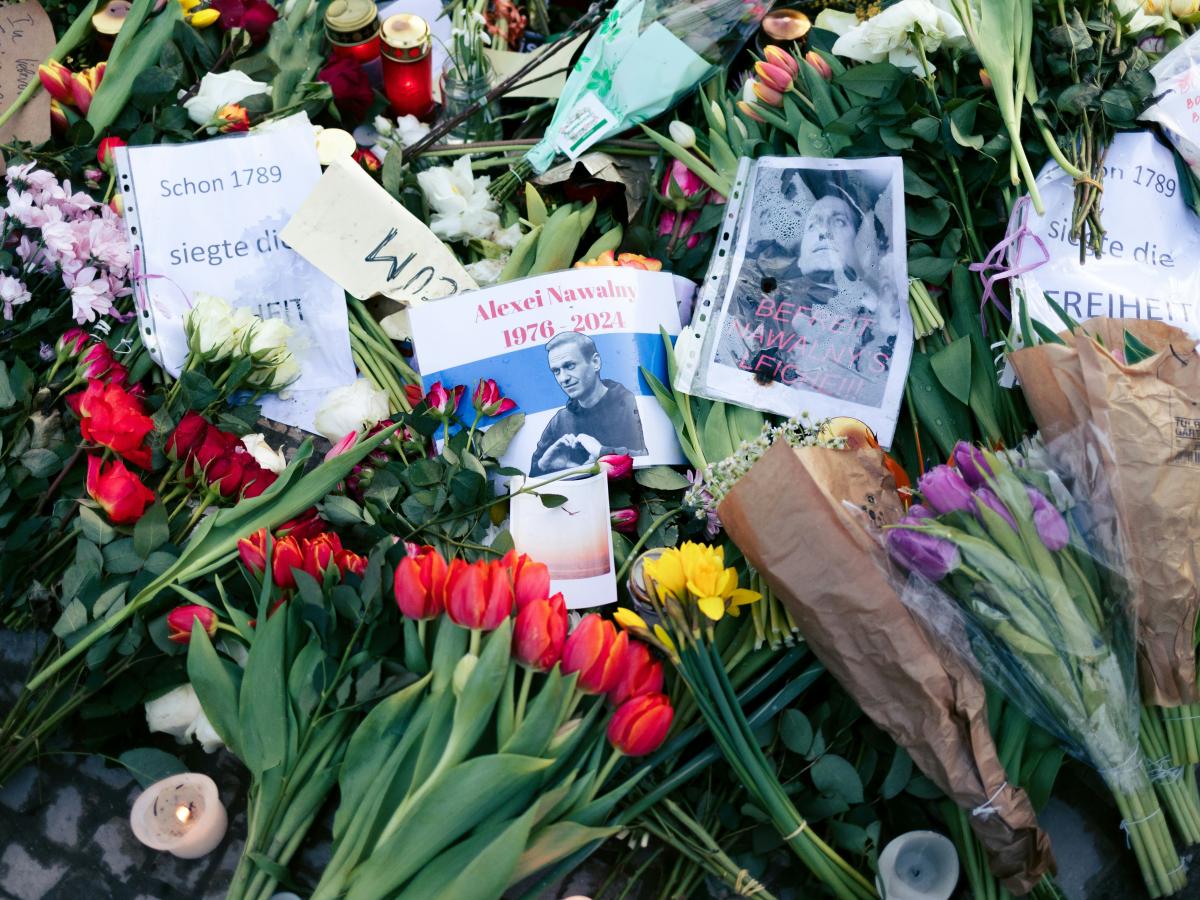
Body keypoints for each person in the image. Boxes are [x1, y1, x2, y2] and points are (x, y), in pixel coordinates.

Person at [530, 332, 648, 476]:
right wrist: (544, 465)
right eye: (556, 371)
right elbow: (531, 479)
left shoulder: (632, 403)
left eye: (570, 366)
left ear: (595, 362)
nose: (563, 378)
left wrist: (601, 452)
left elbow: (656, 458)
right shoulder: (559, 422)